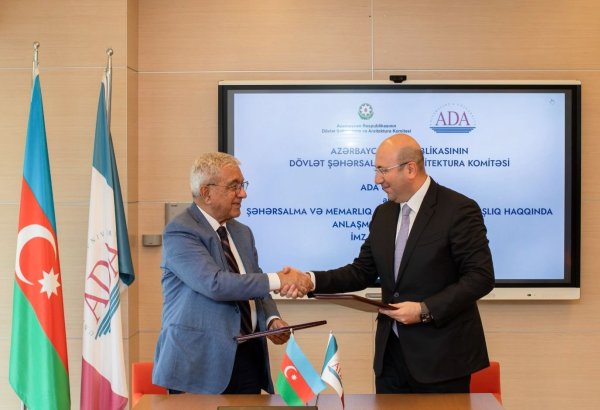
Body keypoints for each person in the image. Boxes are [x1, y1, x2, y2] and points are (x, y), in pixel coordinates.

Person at [282, 133, 495, 394]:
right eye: (376, 171)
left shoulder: (458, 209)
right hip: (390, 359)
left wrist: (425, 310)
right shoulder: (383, 214)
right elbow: (362, 271)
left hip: (443, 359)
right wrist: (310, 280)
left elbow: (480, 277)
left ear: (410, 169)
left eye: (383, 170)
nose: (377, 179)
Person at [152, 152, 311, 394]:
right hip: (198, 362)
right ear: (206, 192)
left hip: (248, 357)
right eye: (234, 186)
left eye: (243, 185)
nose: (243, 194)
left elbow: (255, 281)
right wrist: (280, 279)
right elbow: (216, 284)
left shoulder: (242, 232)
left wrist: (271, 320)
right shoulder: (180, 232)